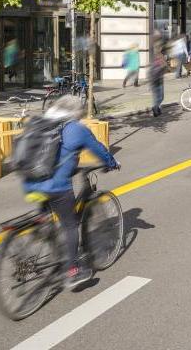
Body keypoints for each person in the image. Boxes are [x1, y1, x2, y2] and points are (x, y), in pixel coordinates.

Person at [22, 96, 119, 288]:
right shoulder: (76, 129)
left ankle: (39, 238)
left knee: (46, 218)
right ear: (76, 112)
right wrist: (111, 162)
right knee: (70, 225)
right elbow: (98, 149)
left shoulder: (42, 123)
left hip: (31, 182)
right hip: (56, 187)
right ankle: (72, 271)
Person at [149, 35, 166, 117]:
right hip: (156, 79)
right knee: (159, 97)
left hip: (156, 79)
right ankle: (155, 108)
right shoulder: (158, 56)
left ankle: (157, 109)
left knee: (158, 97)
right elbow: (163, 66)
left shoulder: (157, 55)